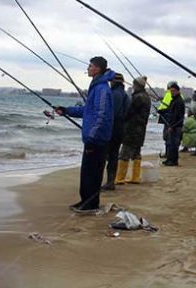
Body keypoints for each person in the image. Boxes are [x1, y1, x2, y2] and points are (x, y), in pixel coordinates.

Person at [56, 56, 115, 213]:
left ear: (97, 69)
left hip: (97, 140)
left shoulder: (102, 89)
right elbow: (87, 111)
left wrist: (91, 138)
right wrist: (66, 110)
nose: (88, 69)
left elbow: (102, 115)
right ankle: (86, 201)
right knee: (87, 172)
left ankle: (90, 204)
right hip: (93, 138)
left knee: (92, 174)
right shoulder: (96, 86)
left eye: (90, 66)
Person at [114, 76, 151, 185]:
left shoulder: (137, 97)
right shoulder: (146, 97)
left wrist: (122, 119)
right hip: (141, 128)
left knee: (124, 152)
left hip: (132, 128)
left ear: (136, 85)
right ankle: (135, 177)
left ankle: (120, 178)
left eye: (134, 84)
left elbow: (129, 112)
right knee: (136, 153)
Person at [101, 73, 131, 190]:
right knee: (113, 155)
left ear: (114, 82)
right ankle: (111, 181)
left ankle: (108, 182)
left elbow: (111, 113)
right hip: (120, 130)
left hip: (112, 129)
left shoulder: (113, 94)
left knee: (106, 156)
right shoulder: (125, 95)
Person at [162, 82, 185, 166]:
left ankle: (173, 161)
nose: (172, 92)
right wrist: (161, 111)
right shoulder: (174, 100)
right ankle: (169, 159)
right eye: (171, 91)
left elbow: (177, 115)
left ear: (178, 91)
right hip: (173, 125)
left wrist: (172, 126)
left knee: (174, 144)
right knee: (171, 143)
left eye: (174, 91)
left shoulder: (179, 101)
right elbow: (169, 110)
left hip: (176, 126)